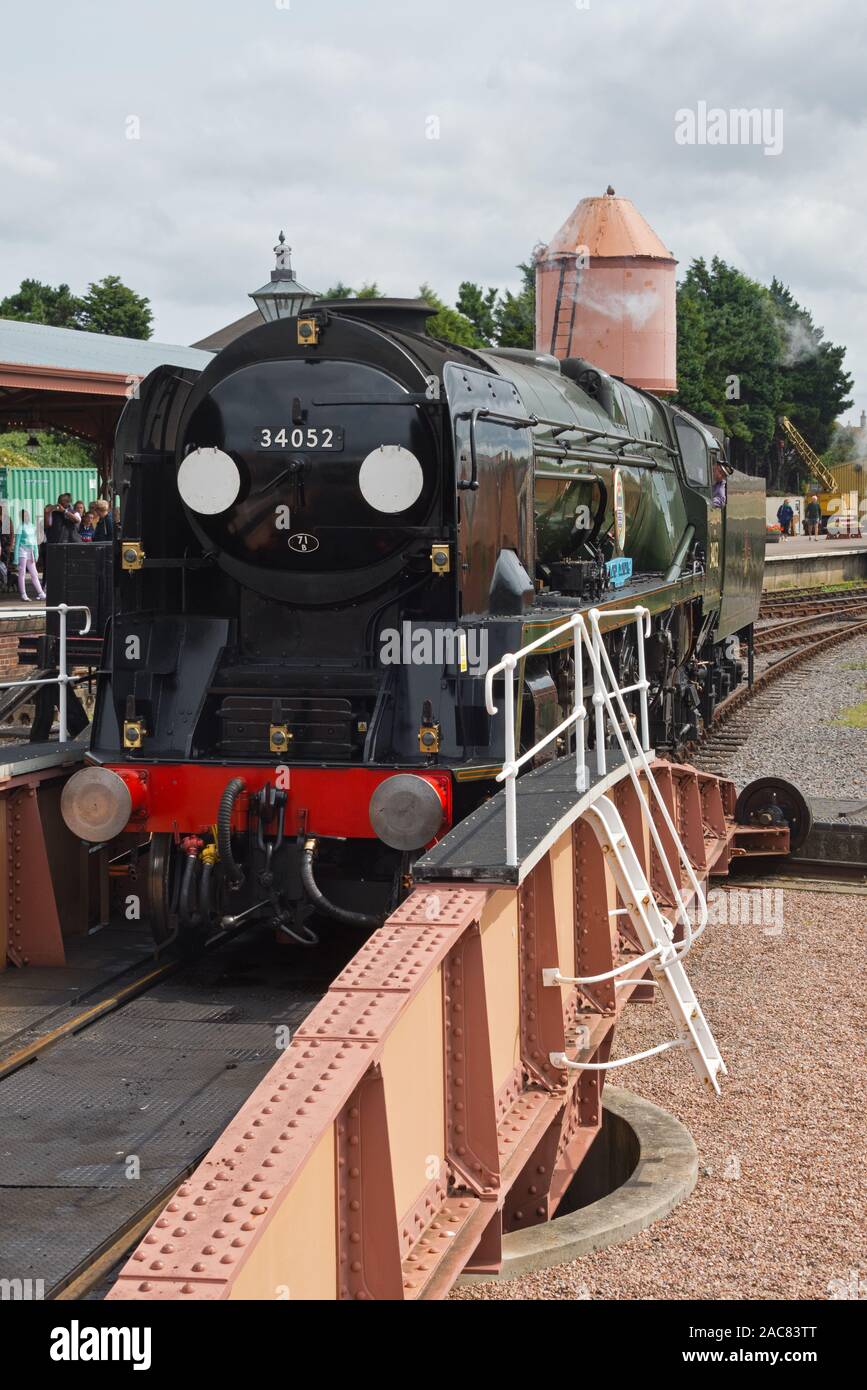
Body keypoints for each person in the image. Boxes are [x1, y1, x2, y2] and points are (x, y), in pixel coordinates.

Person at [14, 509, 46, 601]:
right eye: (24, 516)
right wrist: (16, 558)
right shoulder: (20, 527)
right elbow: (17, 543)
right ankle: (23, 594)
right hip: (22, 551)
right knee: (22, 573)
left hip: (30, 551)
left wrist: (36, 553)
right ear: (21, 518)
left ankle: (41, 593)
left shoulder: (32, 526)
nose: (26, 517)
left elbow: (34, 541)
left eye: (27, 515)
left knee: (34, 573)